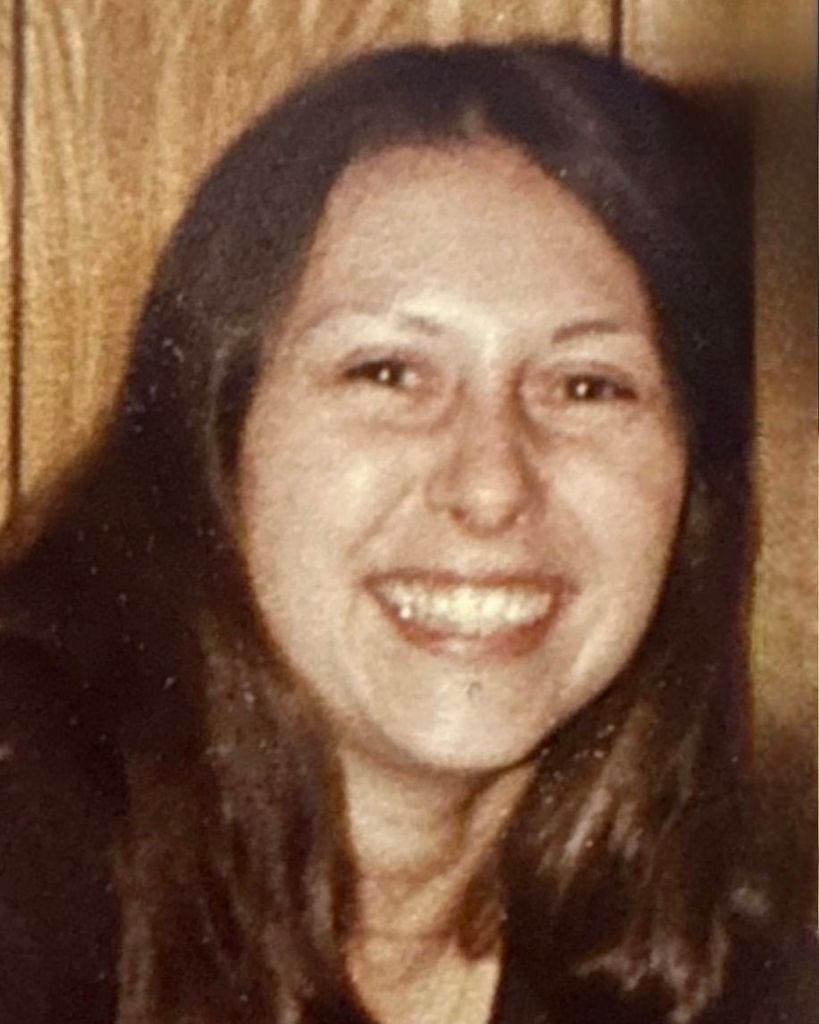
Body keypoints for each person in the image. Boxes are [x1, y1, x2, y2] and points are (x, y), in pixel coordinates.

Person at [0, 40, 809, 1024]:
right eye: (387, 373)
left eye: (587, 386)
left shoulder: (745, 937)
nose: (491, 486)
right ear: (214, 432)